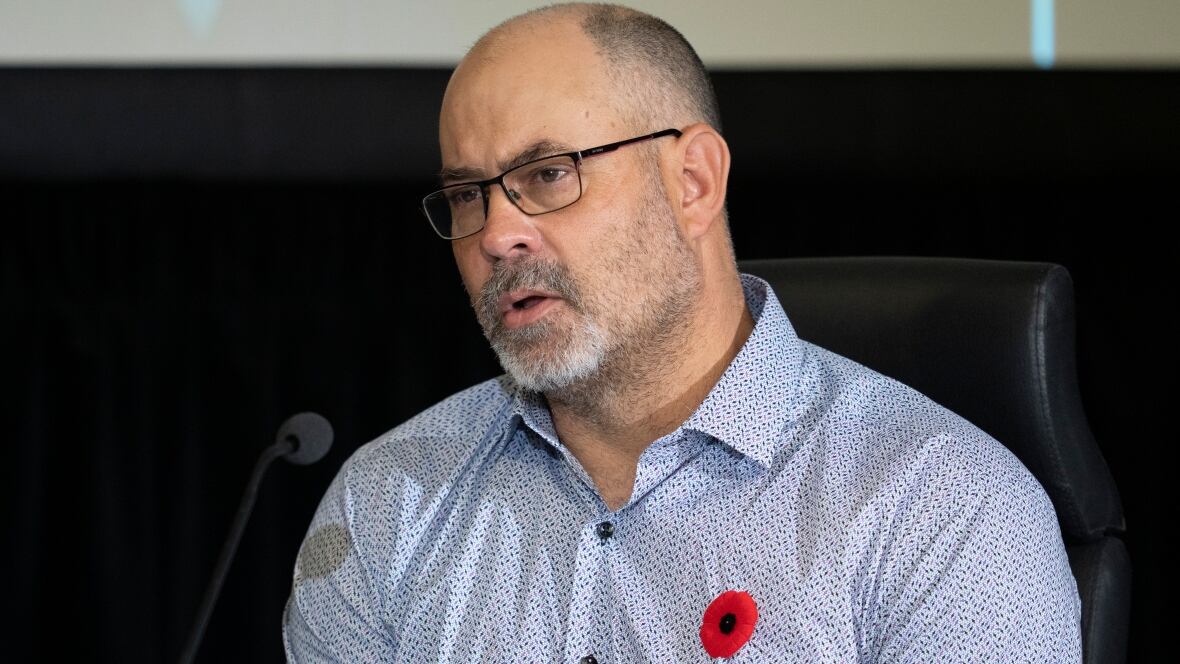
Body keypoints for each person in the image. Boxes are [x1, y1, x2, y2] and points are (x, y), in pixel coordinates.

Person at [282, 3, 1082, 661]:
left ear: (692, 182)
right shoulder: (386, 505)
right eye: (468, 196)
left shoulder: (939, 508)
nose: (497, 233)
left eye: (548, 175)